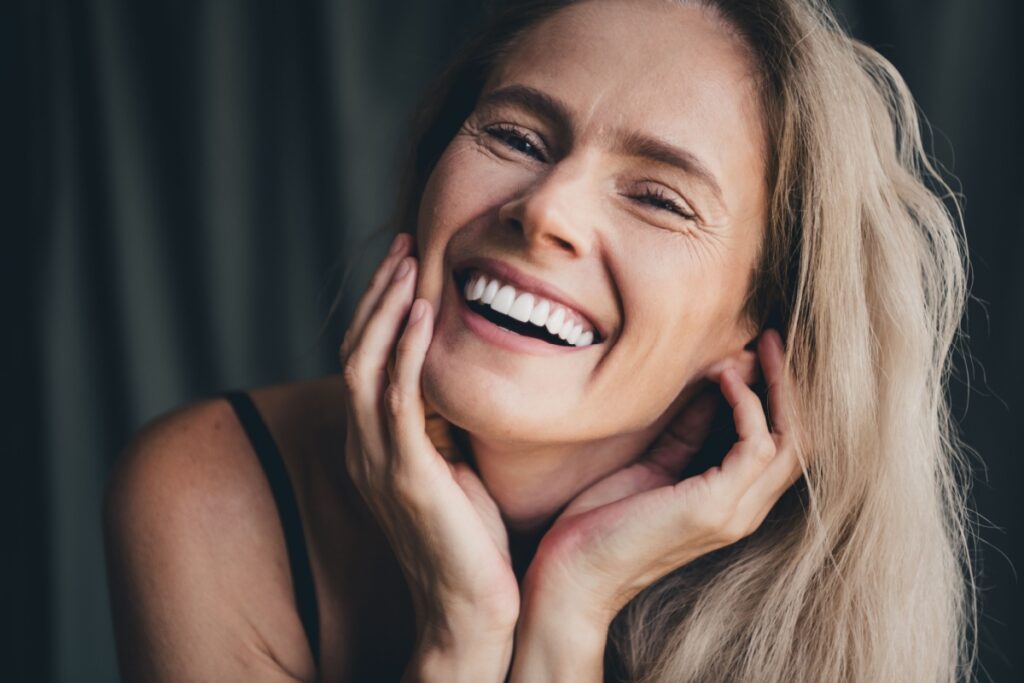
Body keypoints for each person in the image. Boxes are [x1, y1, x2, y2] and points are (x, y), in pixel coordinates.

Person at [102, 0, 977, 681]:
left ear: (759, 327)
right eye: (515, 136)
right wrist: (462, 634)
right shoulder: (212, 498)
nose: (546, 209)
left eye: (659, 198)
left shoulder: (816, 619)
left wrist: (569, 611)